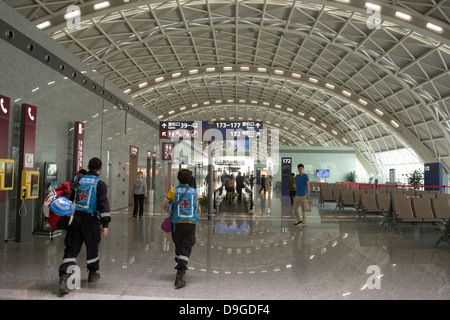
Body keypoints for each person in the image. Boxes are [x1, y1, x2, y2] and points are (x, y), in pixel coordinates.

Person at [58, 157, 111, 295]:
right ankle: (93, 273)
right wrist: (105, 225)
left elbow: (69, 197)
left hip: (75, 219)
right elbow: (103, 204)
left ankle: (64, 278)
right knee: (92, 246)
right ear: (100, 169)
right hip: (90, 221)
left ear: (88, 166)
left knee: (72, 248)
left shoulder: (77, 179)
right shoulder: (100, 183)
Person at [160, 169, 198, 289]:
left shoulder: (173, 191)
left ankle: (180, 262)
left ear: (178, 178)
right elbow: (195, 207)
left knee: (179, 245)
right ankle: (179, 276)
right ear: (189, 179)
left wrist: (170, 212)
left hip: (176, 223)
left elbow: (163, 204)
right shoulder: (194, 192)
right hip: (189, 223)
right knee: (186, 247)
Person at [293, 164, 310, 229]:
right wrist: (294, 185)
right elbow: (295, 183)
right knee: (295, 208)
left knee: (303, 210)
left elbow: (308, 186)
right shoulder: (296, 176)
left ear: (303, 168)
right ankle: (299, 220)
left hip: (303, 195)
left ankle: (304, 223)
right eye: (298, 168)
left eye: (301, 168)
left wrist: (308, 194)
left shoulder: (306, 176)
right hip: (297, 195)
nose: (299, 169)